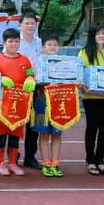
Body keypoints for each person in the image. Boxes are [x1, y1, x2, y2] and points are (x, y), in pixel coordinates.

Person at [0, 28, 35, 175]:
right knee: (2, 133)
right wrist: (0, 79)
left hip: (20, 103)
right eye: (10, 41)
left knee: (16, 133)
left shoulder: (25, 60)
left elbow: (30, 73)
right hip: (3, 103)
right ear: (4, 42)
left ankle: (13, 163)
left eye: (16, 41)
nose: (13, 44)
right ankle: (0, 163)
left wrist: (30, 78)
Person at [78, 22, 104, 176]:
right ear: (92, 36)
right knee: (92, 128)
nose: (102, 36)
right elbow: (80, 73)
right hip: (91, 97)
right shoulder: (84, 52)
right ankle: (90, 160)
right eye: (98, 34)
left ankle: (100, 160)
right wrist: (82, 84)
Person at [31, 34, 65, 177]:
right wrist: (46, 84)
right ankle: (46, 163)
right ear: (43, 47)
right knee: (44, 133)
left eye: (55, 44)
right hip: (42, 100)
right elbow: (33, 80)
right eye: (49, 45)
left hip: (59, 101)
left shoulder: (64, 63)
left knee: (57, 134)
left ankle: (55, 163)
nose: (52, 47)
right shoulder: (37, 62)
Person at [17, 13, 43, 170]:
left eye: (32, 23)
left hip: (36, 87)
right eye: (26, 23)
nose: (30, 26)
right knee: (15, 120)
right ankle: (13, 154)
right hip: (17, 87)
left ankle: (29, 156)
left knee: (33, 123)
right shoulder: (14, 41)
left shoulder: (40, 43)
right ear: (20, 25)